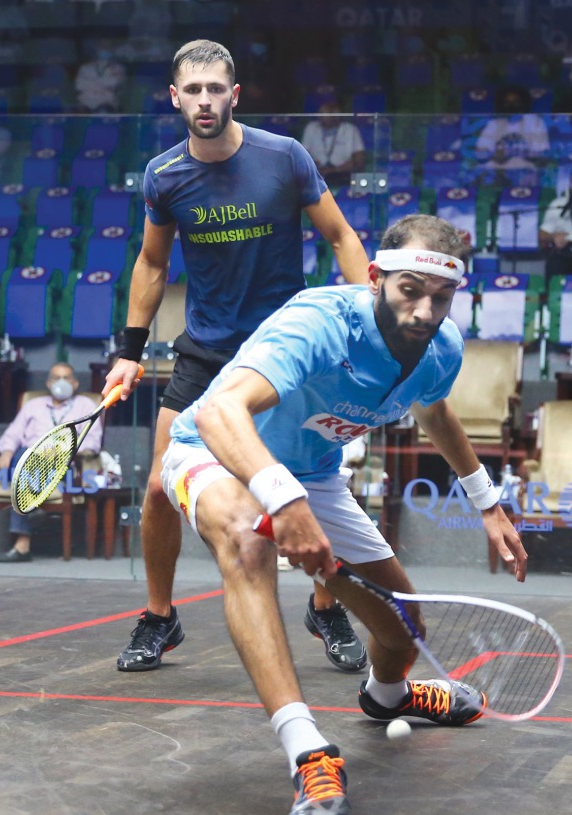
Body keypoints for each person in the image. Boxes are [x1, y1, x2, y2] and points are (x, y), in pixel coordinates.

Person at [151, 213, 527, 815]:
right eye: (410, 290)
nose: (425, 311)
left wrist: (485, 500)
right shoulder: (320, 322)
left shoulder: (441, 347)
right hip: (212, 453)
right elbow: (221, 410)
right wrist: (281, 500)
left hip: (314, 478)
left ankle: (390, 698)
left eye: (441, 297)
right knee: (247, 540)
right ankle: (310, 755)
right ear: (376, 278)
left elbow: (432, 409)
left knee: (402, 630)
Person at [103, 40, 371, 674]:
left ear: (234, 95)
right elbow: (151, 262)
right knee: (160, 491)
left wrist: (363, 318)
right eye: (192, 91)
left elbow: (340, 234)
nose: (204, 100)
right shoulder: (165, 175)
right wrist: (128, 352)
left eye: (214, 89)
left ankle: (326, 605)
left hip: (286, 352)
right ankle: (160, 618)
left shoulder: (285, 157)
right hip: (205, 354)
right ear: (176, 97)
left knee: (314, 484)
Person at [0, 364, 100, 563]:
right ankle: (33, 506)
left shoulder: (85, 405)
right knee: (24, 457)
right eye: (56, 378)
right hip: (26, 458)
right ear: (48, 383)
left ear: (75, 383)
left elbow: (92, 439)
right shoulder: (33, 405)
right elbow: (13, 434)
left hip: (62, 461)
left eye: (66, 378)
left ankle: (23, 543)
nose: (61, 382)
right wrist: (6, 451)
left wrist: (73, 451)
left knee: (29, 463)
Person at [472, 85, 550, 187]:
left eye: (516, 102)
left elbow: (542, 154)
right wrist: (494, 155)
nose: (511, 106)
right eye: (507, 102)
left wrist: (518, 153)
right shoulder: (493, 123)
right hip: (496, 171)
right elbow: (479, 153)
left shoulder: (535, 122)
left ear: (524, 103)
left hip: (524, 169)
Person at [299, 97, 366, 189]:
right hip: (316, 173)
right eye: (320, 113)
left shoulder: (350, 129)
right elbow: (302, 155)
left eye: (324, 114)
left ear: (335, 116)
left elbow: (359, 160)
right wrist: (313, 164)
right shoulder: (311, 127)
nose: (320, 116)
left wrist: (334, 170)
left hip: (342, 174)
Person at [74, 43, 128, 114]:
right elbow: (79, 85)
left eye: (107, 48)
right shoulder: (85, 68)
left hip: (107, 103)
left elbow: (113, 83)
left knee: (103, 112)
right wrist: (103, 85)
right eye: (102, 47)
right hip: (86, 104)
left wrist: (90, 82)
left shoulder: (118, 68)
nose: (104, 50)